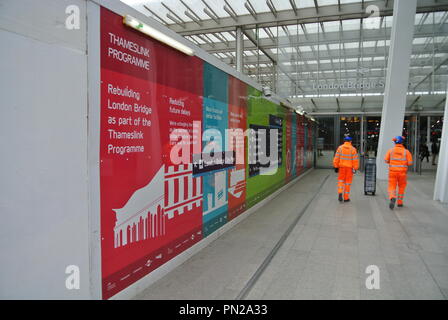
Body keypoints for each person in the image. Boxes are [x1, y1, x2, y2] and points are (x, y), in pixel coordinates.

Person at [384, 136, 413, 210]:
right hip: (402, 173)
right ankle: (400, 202)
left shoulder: (390, 151)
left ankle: (392, 197)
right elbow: (410, 163)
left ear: (395, 142)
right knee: (402, 187)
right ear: (402, 142)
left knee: (392, 186)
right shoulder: (406, 152)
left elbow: (386, 161)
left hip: (392, 172)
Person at [333, 136, 359, 203]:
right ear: (350, 141)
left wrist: (336, 166)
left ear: (344, 141)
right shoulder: (353, 149)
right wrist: (355, 168)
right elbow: (355, 160)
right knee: (347, 183)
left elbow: (336, 158)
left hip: (341, 168)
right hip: (349, 169)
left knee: (341, 181)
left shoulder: (340, 148)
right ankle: (346, 198)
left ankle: (340, 192)